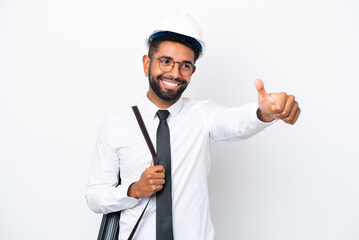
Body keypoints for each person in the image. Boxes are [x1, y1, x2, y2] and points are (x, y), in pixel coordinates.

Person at [85, 12, 300, 240]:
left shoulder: (203, 115)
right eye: (166, 61)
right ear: (147, 63)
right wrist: (134, 190)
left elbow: (235, 122)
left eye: (185, 66)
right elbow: (94, 196)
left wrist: (263, 113)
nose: (175, 73)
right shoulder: (115, 125)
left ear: (192, 71)